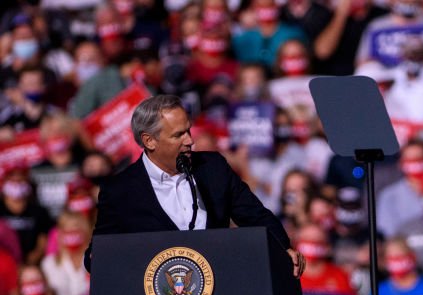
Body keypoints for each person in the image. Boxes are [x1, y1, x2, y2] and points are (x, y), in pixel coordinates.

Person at [84, 95, 303, 276]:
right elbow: (100, 251)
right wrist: (96, 259)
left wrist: (283, 247)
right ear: (149, 140)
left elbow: (255, 215)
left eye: (188, 130)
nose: (190, 140)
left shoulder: (213, 167)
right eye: (178, 135)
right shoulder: (119, 190)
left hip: (219, 289)